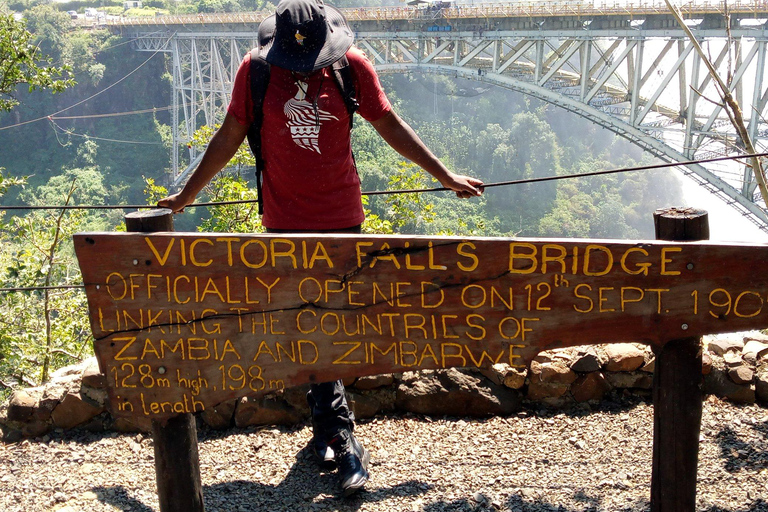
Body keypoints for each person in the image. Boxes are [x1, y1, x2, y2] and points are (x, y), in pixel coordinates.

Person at [158, 0, 484, 497]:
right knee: (308, 320)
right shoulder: (257, 72)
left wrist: (444, 176)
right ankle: (339, 436)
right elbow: (229, 135)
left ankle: (331, 433)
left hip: (341, 221)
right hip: (285, 222)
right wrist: (187, 194)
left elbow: (390, 124)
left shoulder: (351, 69)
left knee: (327, 319)